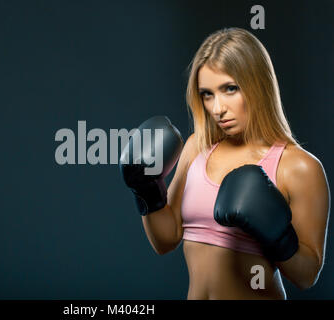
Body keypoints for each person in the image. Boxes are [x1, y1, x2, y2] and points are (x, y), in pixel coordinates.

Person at [120, 28, 330, 300]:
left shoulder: (298, 167)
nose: (218, 108)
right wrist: (147, 191)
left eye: (230, 89)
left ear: (258, 85)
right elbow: (166, 239)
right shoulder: (198, 147)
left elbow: (307, 275)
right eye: (207, 94)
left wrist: (278, 235)